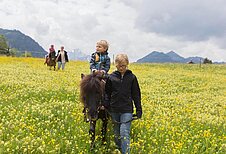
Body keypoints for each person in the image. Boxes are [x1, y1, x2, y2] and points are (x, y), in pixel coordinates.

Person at [104, 54, 142, 154]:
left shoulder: (132, 77)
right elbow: (107, 93)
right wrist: (106, 104)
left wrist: (139, 109)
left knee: (124, 133)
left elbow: (136, 94)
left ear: (127, 64)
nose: (122, 68)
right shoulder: (111, 77)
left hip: (127, 110)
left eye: (124, 66)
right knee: (116, 134)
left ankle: (126, 152)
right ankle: (119, 150)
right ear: (116, 65)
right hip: (114, 110)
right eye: (120, 66)